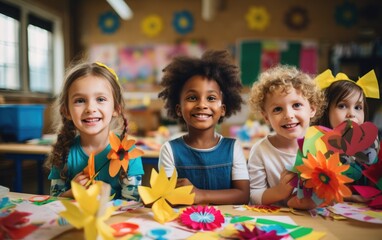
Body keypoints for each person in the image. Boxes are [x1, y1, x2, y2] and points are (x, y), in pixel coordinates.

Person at [157, 50, 250, 205]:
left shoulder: (233, 148)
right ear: (179, 108)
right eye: (192, 98)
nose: (202, 104)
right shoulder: (169, 150)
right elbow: (167, 197)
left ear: (223, 109)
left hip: (227, 225)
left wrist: (201, 195)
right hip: (183, 225)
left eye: (211, 98)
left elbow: (243, 195)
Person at [45, 62, 144, 200]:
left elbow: (132, 204)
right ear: (66, 111)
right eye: (80, 100)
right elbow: (54, 200)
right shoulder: (64, 152)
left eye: (100, 99)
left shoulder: (129, 153)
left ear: (116, 108)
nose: (90, 108)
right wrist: (72, 192)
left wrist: (104, 195)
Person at [247, 65, 324, 207]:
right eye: (277, 109)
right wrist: (279, 192)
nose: (288, 115)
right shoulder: (260, 151)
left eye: (296, 105)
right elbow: (253, 195)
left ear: (312, 109)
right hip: (278, 220)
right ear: (266, 117)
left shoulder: (324, 144)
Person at [313, 69, 380, 202]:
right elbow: (314, 190)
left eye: (358, 107)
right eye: (342, 106)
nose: (351, 113)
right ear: (326, 111)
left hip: (365, 211)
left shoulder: (371, 144)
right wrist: (351, 197)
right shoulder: (317, 142)